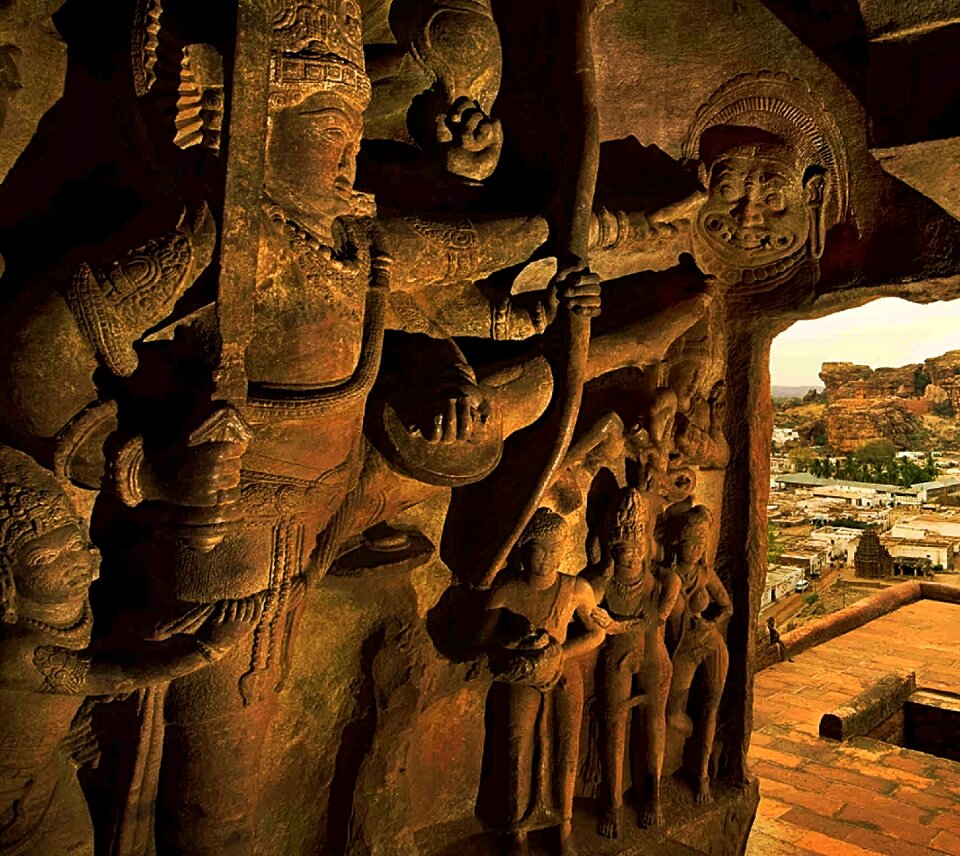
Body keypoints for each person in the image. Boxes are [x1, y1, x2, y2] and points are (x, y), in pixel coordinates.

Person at [0, 445, 260, 856]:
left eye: (71, 545)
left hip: (44, 778)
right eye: (45, 558)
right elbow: (114, 675)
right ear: (7, 579)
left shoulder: (75, 607)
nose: (69, 563)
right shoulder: (18, 652)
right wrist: (206, 650)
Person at [475, 508, 606, 856]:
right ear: (522, 550)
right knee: (517, 744)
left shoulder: (575, 588)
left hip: (564, 674)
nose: (547, 559)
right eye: (539, 549)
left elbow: (596, 633)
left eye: (555, 550)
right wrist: (516, 647)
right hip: (522, 677)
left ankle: (563, 825)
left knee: (567, 747)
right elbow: (482, 641)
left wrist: (561, 652)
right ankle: (517, 828)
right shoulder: (507, 590)